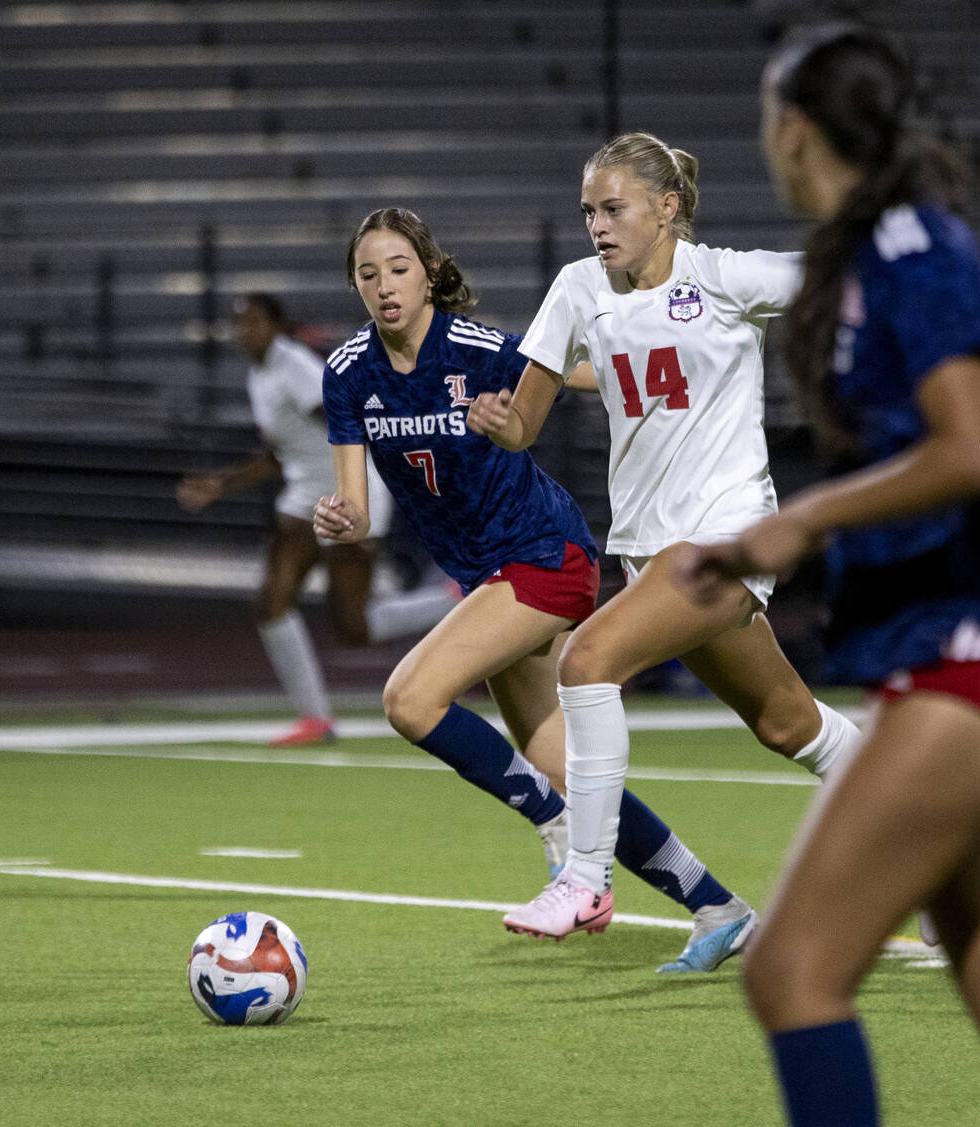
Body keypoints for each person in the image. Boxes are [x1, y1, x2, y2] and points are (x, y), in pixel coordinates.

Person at [675, 24, 980, 1123]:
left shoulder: (910, 251)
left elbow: (975, 448)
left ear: (795, 128)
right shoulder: (872, 255)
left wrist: (797, 521)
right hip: (954, 647)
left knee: (792, 972)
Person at [314, 206, 757, 973]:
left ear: (428, 273)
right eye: (367, 273)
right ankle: (717, 904)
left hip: (544, 553)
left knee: (409, 699)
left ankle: (555, 826)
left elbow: (570, 372)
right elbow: (355, 514)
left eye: (398, 268)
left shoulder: (476, 348)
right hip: (486, 573)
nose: (384, 286)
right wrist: (340, 518)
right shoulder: (349, 373)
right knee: (568, 769)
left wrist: (662, 369)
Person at [467, 132, 860, 941]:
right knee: (791, 725)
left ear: (667, 207)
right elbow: (525, 424)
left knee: (587, 659)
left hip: (725, 535)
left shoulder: (723, 275)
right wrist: (499, 424)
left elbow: (842, 280)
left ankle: (584, 877)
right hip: (651, 551)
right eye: (588, 212)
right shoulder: (579, 289)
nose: (597, 226)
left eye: (613, 209)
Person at [178, 293, 453, 748]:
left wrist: (373, 481)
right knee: (271, 603)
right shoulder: (260, 372)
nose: (243, 332)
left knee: (353, 627)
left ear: (277, 325)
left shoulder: (294, 367)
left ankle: (454, 600)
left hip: (348, 495)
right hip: (304, 496)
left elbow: (344, 420)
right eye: (238, 324)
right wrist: (221, 484)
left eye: (253, 323)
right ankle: (316, 718)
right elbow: (281, 451)